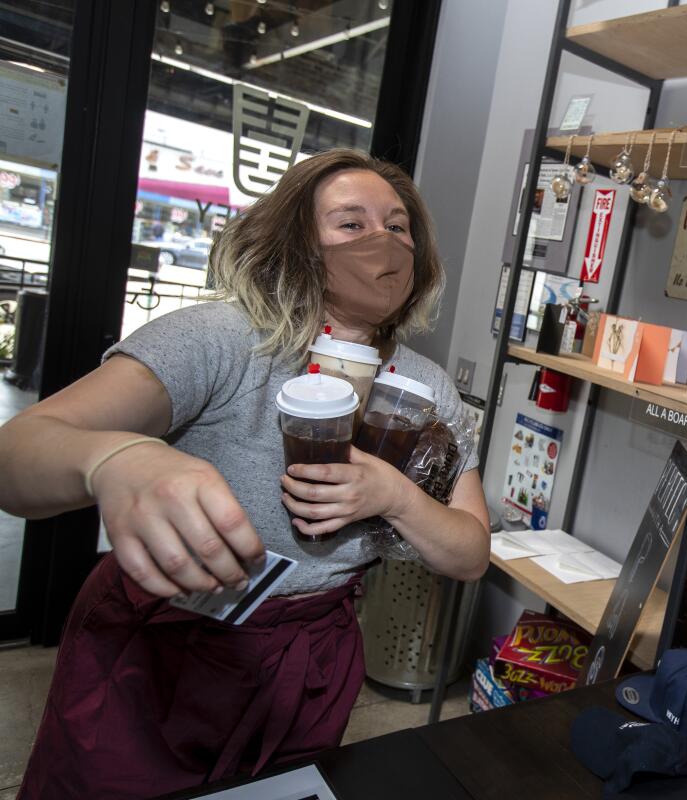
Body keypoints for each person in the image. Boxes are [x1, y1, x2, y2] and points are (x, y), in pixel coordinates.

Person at [0, 149, 490, 799]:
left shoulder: (425, 392)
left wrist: (393, 494)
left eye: (398, 226)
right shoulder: (221, 341)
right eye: (350, 223)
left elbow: (470, 551)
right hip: (162, 647)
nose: (383, 240)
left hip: (312, 657)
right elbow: (17, 453)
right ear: (298, 244)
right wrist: (114, 458)